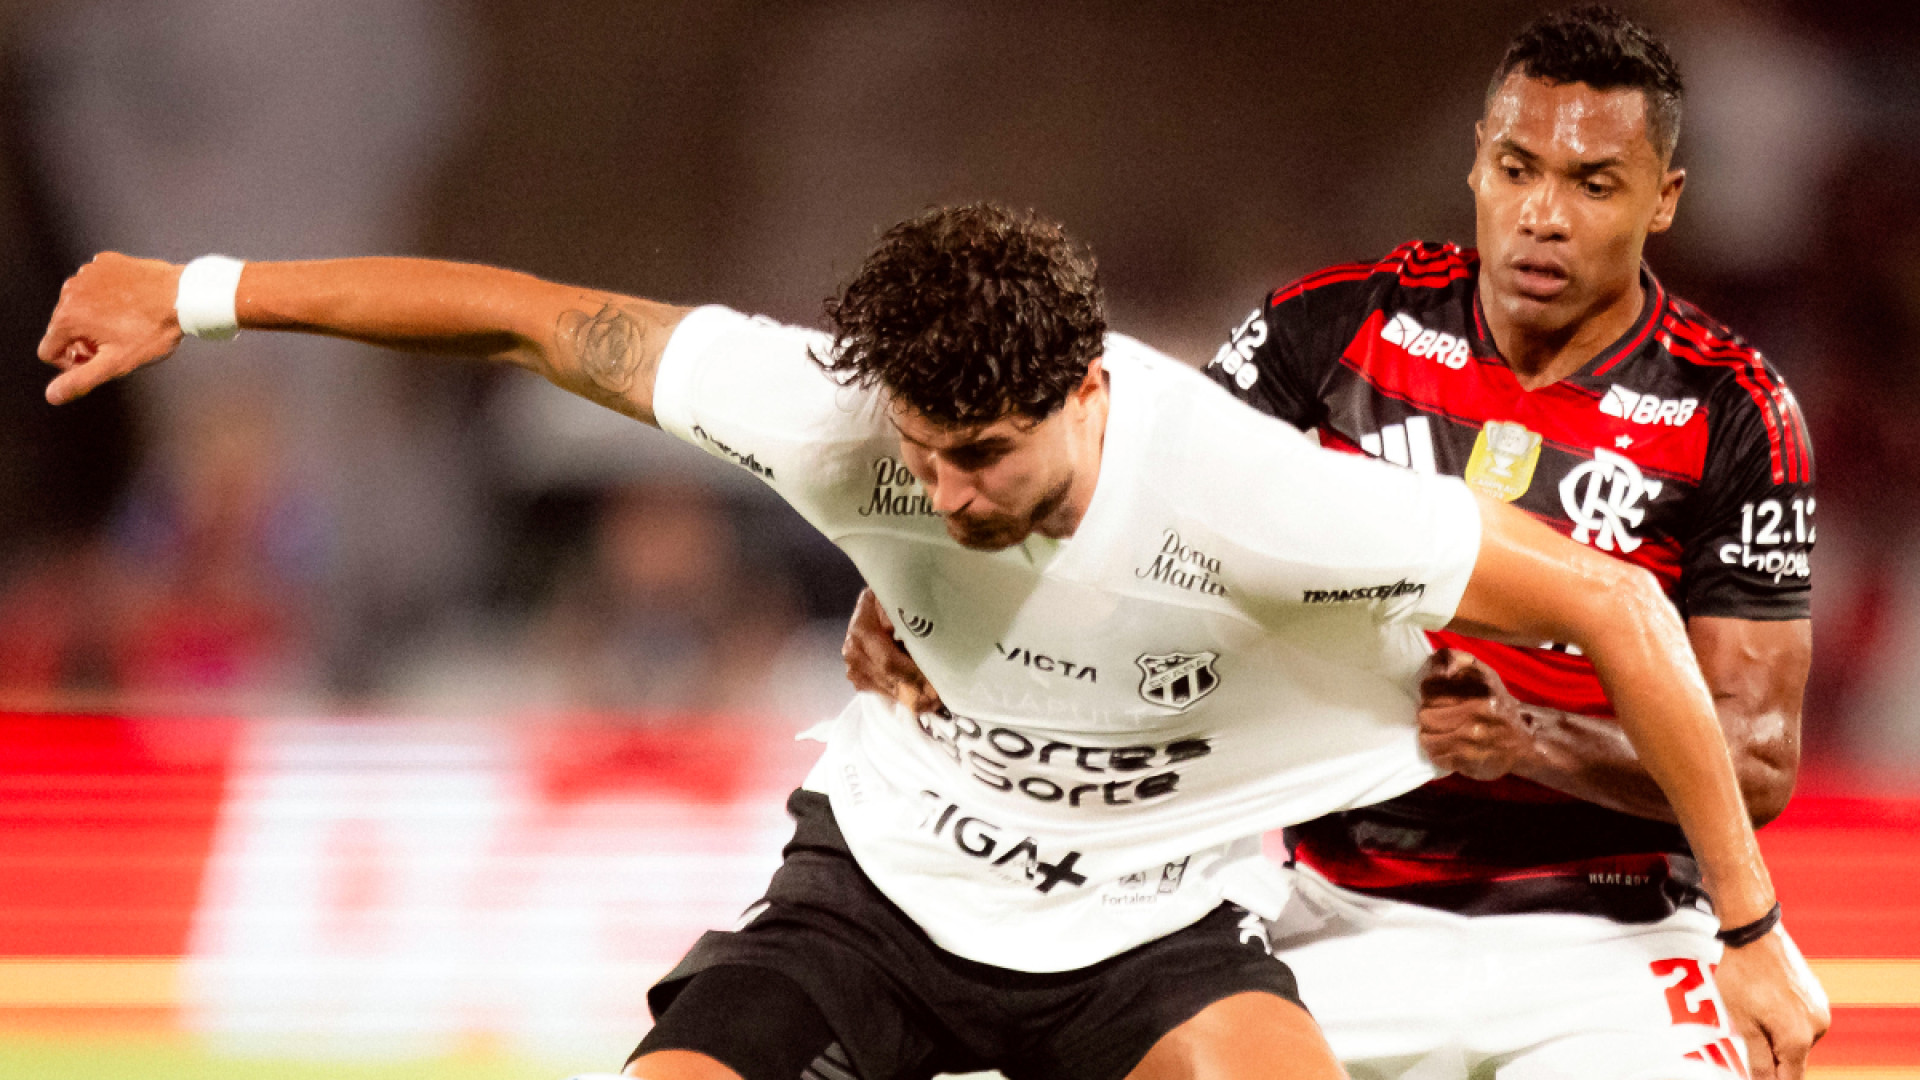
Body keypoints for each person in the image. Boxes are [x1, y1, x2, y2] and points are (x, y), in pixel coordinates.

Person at [38, 201, 1821, 1080]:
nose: (947, 499)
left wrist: (1748, 928)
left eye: (985, 460)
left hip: (1147, 925)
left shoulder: (1260, 489)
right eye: (919, 455)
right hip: (878, 896)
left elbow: (1618, 605)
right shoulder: (825, 411)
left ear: (1085, 395)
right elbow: (522, 324)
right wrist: (195, 297)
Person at [840, 8, 1829, 1080]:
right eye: (1516, 168)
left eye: (1594, 185)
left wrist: (1527, 740)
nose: (1543, 215)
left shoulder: (1734, 408)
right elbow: (1115, 504)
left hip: (1617, 933)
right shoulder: (1331, 331)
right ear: (1475, 167)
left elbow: (1758, 764)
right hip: (1335, 907)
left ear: (1663, 199)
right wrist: (923, 587)